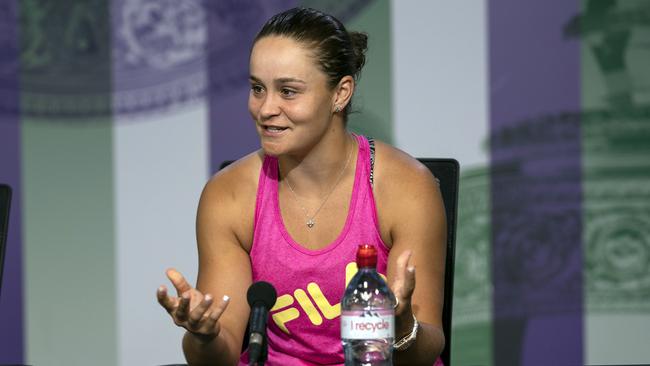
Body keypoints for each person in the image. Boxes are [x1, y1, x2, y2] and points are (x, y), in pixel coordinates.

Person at [157, 7, 446, 366]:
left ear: (340, 93)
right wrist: (204, 336)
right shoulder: (228, 196)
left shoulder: (406, 187)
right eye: (257, 89)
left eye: (288, 92)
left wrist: (401, 325)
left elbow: (425, 350)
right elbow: (221, 354)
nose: (265, 109)